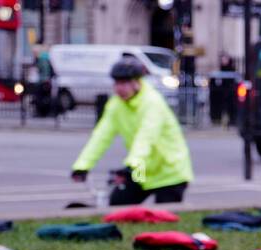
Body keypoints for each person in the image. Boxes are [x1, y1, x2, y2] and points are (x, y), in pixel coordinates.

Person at [70, 57, 194, 205]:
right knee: (118, 205)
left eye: (124, 83)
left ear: (137, 82)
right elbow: (100, 137)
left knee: (163, 217)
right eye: (116, 83)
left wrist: (131, 165)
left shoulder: (152, 102)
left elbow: (146, 137)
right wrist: (82, 166)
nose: (119, 88)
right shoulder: (116, 105)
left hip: (169, 171)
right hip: (141, 168)